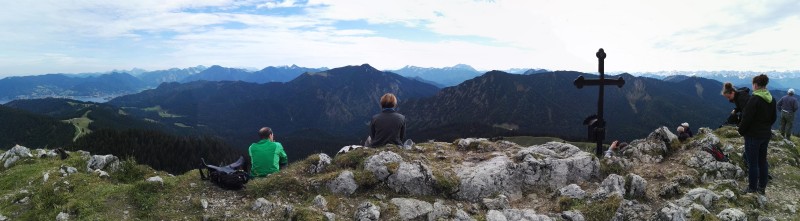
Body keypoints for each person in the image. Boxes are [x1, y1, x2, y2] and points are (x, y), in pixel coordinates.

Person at [738, 74, 776, 195]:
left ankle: (752, 188)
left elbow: (746, 118)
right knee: (762, 161)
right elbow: (773, 118)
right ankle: (762, 187)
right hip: (765, 135)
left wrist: (741, 130)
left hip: (753, 136)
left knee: (752, 163)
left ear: (755, 85)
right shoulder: (771, 99)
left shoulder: (754, 99)